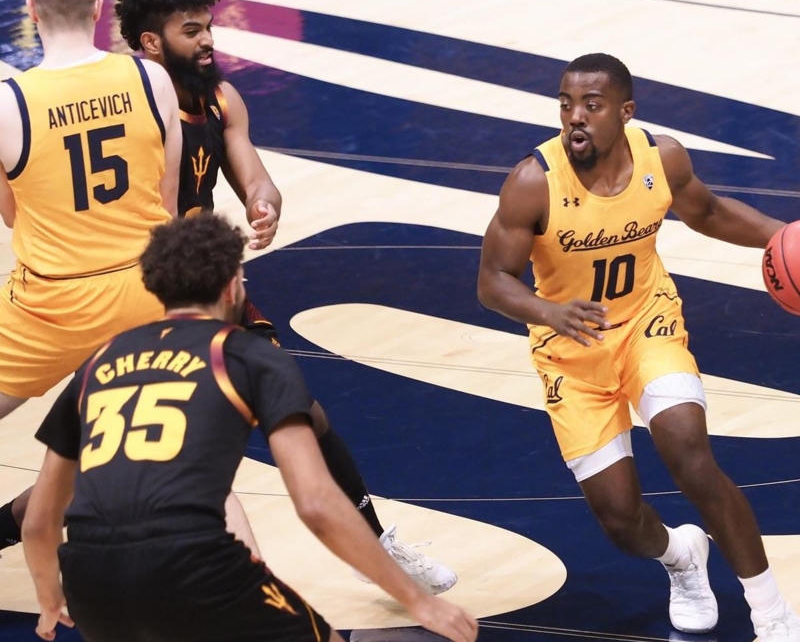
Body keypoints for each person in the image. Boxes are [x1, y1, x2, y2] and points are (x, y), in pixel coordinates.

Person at [110, 0, 457, 594]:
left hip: (210, 285)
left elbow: (254, 176)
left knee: (304, 414)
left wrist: (264, 204)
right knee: (120, 444)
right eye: (193, 31)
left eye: (208, 26)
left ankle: (378, 548)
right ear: (151, 42)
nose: (209, 40)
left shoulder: (221, 97)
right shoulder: (126, 106)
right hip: (136, 289)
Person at [22, 213, 480, 642]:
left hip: (89, 581)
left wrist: (48, 597)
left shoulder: (98, 362)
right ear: (231, 287)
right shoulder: (246, 355)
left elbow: (41, 520)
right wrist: (417, 601)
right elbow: (317, 503)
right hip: (191, 565)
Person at [477, 53, 800, 641]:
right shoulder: (533, 182)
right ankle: (681, 557)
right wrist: (549, 311)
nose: (575, 117)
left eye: (592, 105)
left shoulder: (663, 158)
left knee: (688, 450)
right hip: (571, 353)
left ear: (625, 112)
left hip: (646, 325)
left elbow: (707, 211)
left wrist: (784, 238)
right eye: (566, 105)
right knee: (620, 519)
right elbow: (492, 282)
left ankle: (774, 614)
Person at [0, 0, 181, 547]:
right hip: (145, 295)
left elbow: (12, 214)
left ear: (31, 10)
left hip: (50, 304)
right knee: (122, 447)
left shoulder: (8, 103)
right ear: (100, 8)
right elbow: (168, 204)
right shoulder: (151, 79)